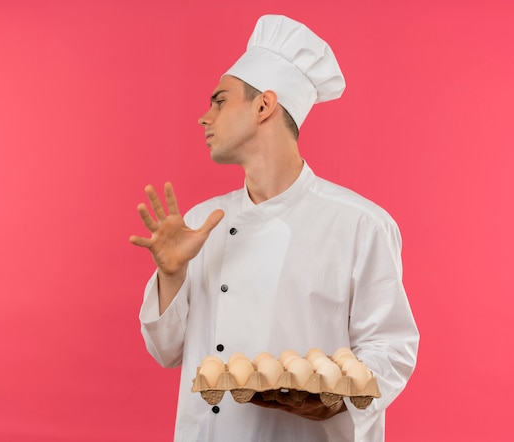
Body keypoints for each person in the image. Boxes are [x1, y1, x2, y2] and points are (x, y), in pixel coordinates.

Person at [130, 14, 419, 442]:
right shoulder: (201, 225)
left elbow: (391, 349)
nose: (203, 118)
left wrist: (338, 396)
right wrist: (171, 276)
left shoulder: (360, 224)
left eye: (219, 101)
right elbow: (167, 352)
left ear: (263, 105)